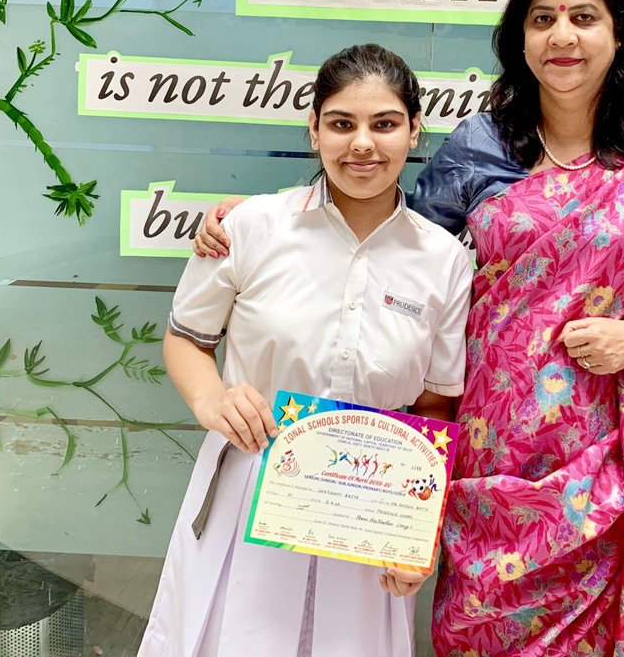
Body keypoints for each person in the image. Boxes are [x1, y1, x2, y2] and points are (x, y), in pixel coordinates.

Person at [194, 0, 624, 657]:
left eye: (584, 17)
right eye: (542, 18)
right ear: (518, 37)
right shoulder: (480, 144)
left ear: (619, 32)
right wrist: (264, 218)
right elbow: (385, 243)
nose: (562, 36)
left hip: (605, 471)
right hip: (483, 454)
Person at [140, 44, 474, 657]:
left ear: (414, 131)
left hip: (370, 506)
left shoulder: (444, 260)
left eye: (385, 124)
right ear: (314, 129)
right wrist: (212, 400)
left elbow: (434, 405)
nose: (362, 144)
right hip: (251, 487)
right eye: (342, 123)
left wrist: (414, 532)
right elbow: (187, 338)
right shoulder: (250, 227)